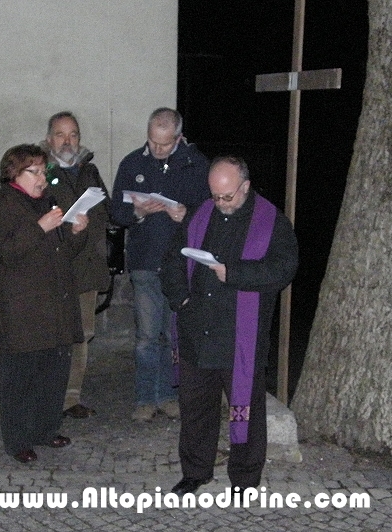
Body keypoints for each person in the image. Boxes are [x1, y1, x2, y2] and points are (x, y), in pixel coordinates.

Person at [160, 156, 298, 495]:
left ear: (246, 187)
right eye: (215, 196)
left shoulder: (271, 222)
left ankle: (245, 479)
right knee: (196, 410)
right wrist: (181, 300)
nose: (220, 203)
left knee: (245, 413)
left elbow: (284, 268)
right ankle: (195, 471)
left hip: (239, 337)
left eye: (228, 197)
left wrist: (234, 273)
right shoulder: (200, 213)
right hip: (196, 331)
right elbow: (173, 259)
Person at [0, 144, 88, 463]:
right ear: (14, 173)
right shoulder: (0, 206)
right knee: (20, 379)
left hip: (53, 305)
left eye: (44, 171)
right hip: (20, 310)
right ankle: (18, 439)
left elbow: (62, 251)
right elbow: (3, 252)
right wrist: (40, 227)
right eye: (35, 171)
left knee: (52, 373)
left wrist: (76, 232)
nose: (43, 177)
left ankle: (45, 429)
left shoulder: (47, 202)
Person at [110, 107, 210, 422]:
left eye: (165, 144)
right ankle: (144, 399)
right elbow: (117, 212)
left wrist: (187, 216)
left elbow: (210, 213)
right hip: (144, 260)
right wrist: (138, 212)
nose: (157, 149)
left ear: (179, 137)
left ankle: (167, 396)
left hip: (180, 264)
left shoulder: (196, 165)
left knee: (171, 335)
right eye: (153, 142)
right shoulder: (132, 163)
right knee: (146, 336)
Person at [40, 111, 110, 419]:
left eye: (73, 135)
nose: (67, 141)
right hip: (54, 267)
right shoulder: (39, 170)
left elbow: (105, 211)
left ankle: (71, 398)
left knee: (82, 335)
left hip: (86, 267)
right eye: (60, 134)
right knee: (53, 335)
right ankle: (47, 396)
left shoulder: (89, 171)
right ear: (49, 139)